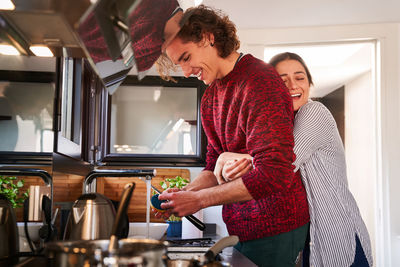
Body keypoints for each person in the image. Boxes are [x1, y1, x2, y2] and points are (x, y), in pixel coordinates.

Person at [154, 5, 310, 267]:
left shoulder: (260, 80)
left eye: (185, 57)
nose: (186, 71)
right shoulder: (210, 98)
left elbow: (274, 173)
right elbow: (212, 167)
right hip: (241, 227)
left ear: (207, 38)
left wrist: (198, 200)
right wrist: (186, 193)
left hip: (277, 226)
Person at [214, 52, 373, 267]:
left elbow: (280, 163)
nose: (293, 86)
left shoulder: (314, 112)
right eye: (283, 80)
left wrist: (225, 157)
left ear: (309, 83)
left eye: (300, 78)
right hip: (310, 237)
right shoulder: (284, 123)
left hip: (337, 232)